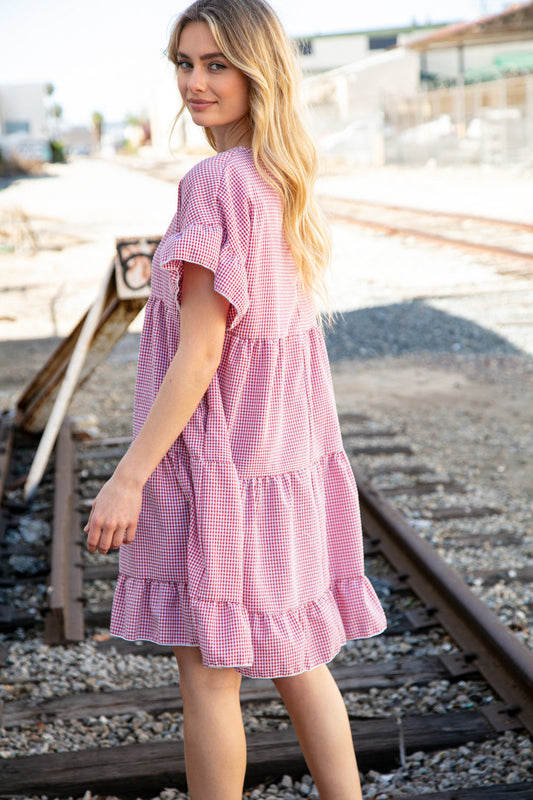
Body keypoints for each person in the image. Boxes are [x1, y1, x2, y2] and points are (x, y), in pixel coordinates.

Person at [84, 1, 387, 797]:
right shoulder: (279, 179)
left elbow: (203, 351)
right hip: (278, 466)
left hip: (215, 471)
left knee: (209, 681)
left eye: (216, 64)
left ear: (258, 71)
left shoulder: (213, 182)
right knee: (298, 660)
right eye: (184, 64)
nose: (195, 82)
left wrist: (129, 475)